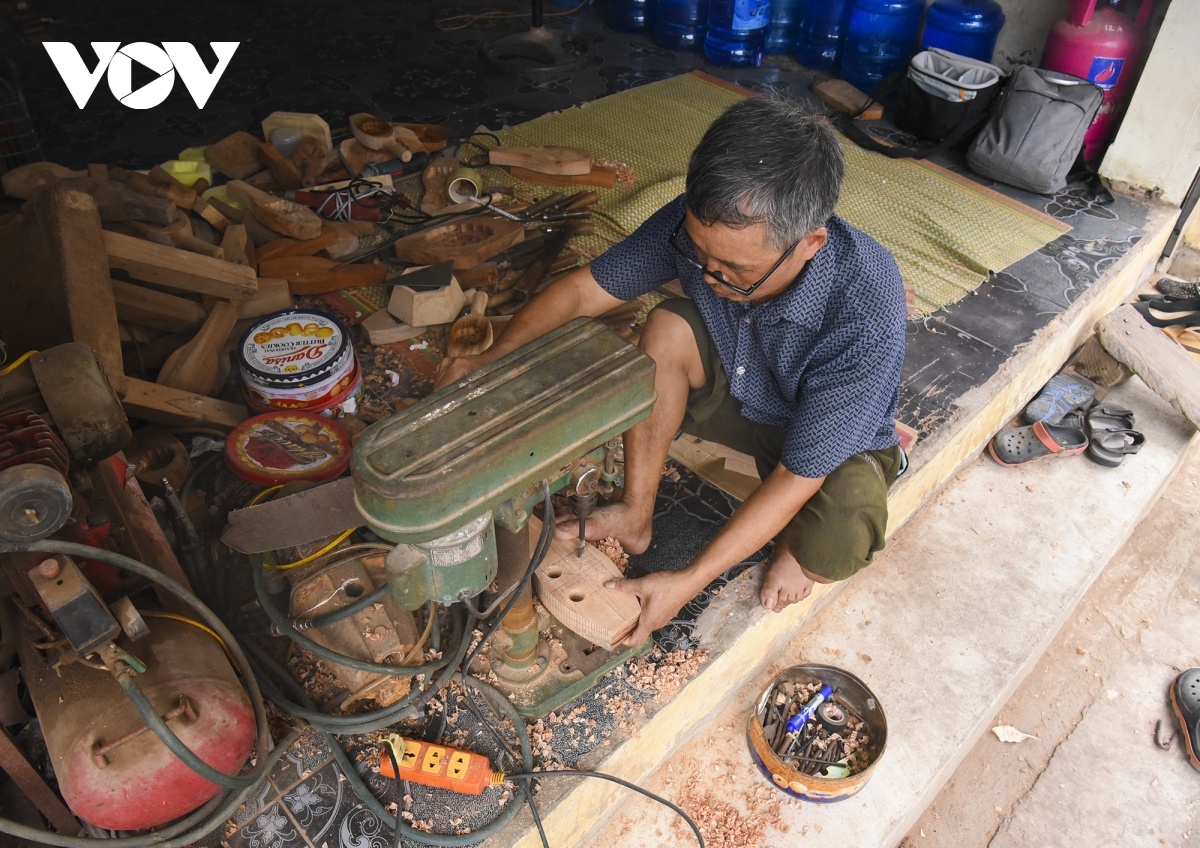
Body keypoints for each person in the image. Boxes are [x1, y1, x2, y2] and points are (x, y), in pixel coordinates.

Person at [436, 92, 907, 648]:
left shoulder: (866, 304)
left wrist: (688, 581)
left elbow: (797, 474)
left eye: (735, 270)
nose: (709, 275)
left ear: (810, 244)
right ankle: (637, 514)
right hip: (743, 386)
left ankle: (869, 477)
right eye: (701, 255)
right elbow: (584, 290)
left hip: (821, 438)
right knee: (666, 326)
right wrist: (489, 361)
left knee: (833, 546)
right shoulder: (699, 230)